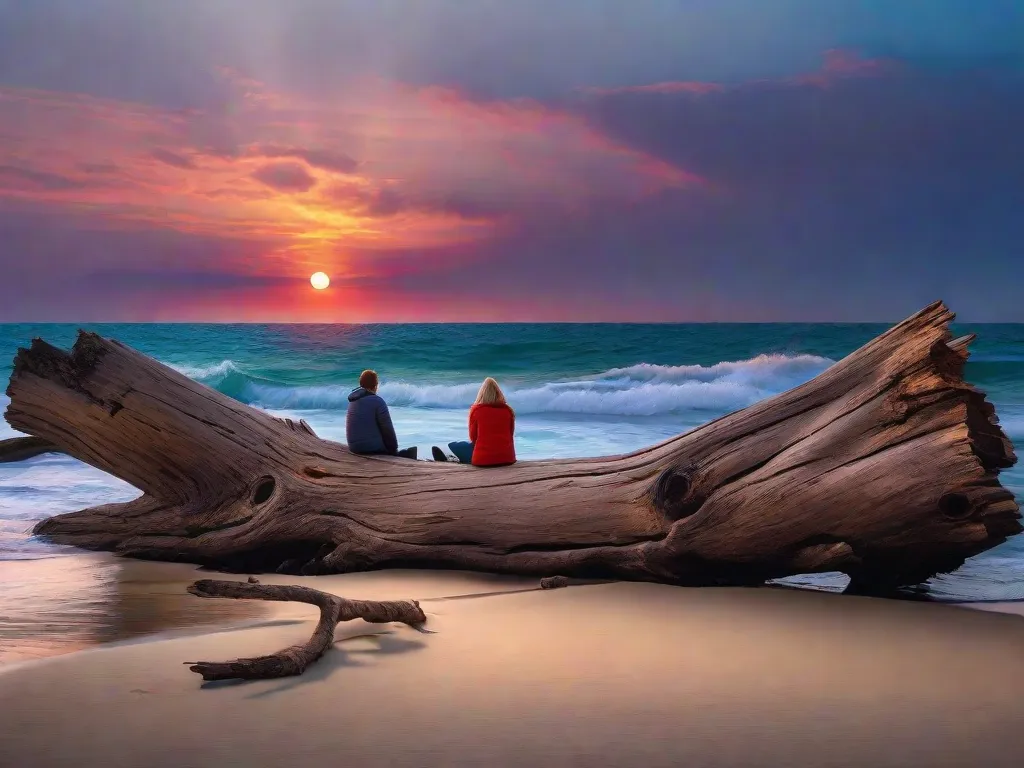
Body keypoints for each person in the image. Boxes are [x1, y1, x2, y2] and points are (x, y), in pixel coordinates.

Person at [432, 377, 516, 466]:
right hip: (507, 458)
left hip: (483, 461)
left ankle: (452, 458)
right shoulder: (508, 411)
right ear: (499, 393)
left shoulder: (476, 411)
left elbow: (473, 437)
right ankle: (455, 458)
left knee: (453, 445)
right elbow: (510, 433)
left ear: (481, 394)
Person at [346, 369, 418, 459]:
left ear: (361, 384)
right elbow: (387, 429)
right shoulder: (377, 401)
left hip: (354, 447)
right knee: (411, 452)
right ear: (376, 385)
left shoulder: (353, 400)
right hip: (371, 448)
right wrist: (394, 450)